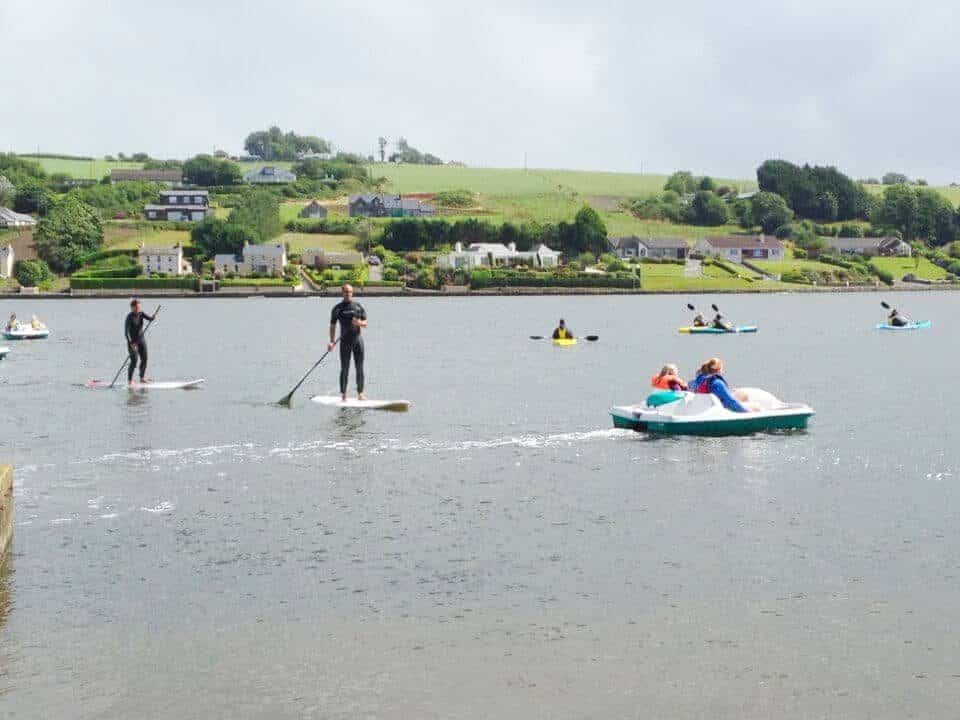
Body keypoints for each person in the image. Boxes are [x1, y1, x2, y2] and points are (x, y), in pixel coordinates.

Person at [329, 284, 368, 402]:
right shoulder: (337, 308)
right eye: (346, 292)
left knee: (359, 368)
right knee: (344, 368)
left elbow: (365, 323)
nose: (348, 294)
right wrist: (331, 342)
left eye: (350, 292)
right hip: (344, 342)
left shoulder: (358, 306)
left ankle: (361, 394)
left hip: (358, 340)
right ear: (342, 292)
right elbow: (332, 326)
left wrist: (359, 323)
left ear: (352, 293)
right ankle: (344, 394)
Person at [124, 298, 155, 386]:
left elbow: (150, 319)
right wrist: (131, 343)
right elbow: (126, 333)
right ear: (132, 308)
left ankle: (142, 378)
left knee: (145, 358)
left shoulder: (141, 313)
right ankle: (130, 381)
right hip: (132, 342)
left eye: (139, 307)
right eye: (137, 308)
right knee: (134, 360)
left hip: (141, 340)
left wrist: (152, 317)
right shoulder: (129, 317)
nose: (138, 309)